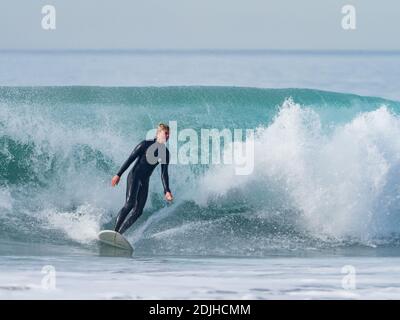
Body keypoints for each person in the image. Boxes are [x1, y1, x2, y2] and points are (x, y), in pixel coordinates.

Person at [111, 123, 173, 234]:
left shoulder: (165, 153)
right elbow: (130, 159)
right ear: (158, 133)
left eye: (169, 134)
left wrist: (167, 190)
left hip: (145, 180)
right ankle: (114, 231)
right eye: (165, 133)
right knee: (130, 204)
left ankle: (119, 233)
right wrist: (118, 174)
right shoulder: (144, 144)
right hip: (134, 176)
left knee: (138, 211)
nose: (167, 136)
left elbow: (164, 173)